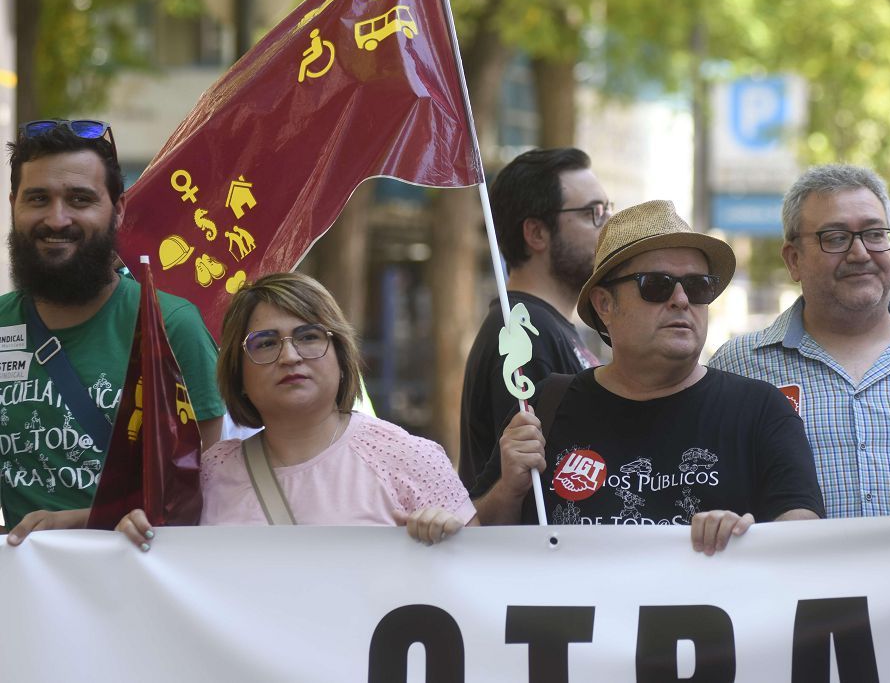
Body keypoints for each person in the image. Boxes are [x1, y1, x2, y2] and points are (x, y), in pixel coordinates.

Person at [472, 200, 824, 555]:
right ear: (604, 305)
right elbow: (474, 545)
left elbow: (804, 539)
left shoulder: (760, 409)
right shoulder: (547, 406)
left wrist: (748, 537)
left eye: (698, 286)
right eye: (656, 285)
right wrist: (508, 489)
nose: (682, 299)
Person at [117, 273, 476, 549]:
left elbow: (483, 578)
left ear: (341, 355)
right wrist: (134, 541)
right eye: (266, 343)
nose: (290, 356)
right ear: (237, 372)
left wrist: (449, 541)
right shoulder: (208, 475)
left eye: (309, 336)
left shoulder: (408, 458)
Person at [3, 119, 223, 540]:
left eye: (80, 199)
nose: (57, 218)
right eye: (37, 199)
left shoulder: (171, 326)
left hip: (137, 588)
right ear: (14, 204)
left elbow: (206, 492)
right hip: (21, 595)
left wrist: (82, 520)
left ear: (117, 209)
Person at [710, 165, 890, 519]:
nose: (860, 253)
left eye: (875, 234)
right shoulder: (738, 368)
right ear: (794, 260)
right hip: (787, 575)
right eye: (835, 238)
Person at [459, 148, 605, 488]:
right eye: (592, 213)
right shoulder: (522, 332)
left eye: (608, 210)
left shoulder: (545, 325)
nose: (608, 226)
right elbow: (538, 488)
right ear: (536, 233)